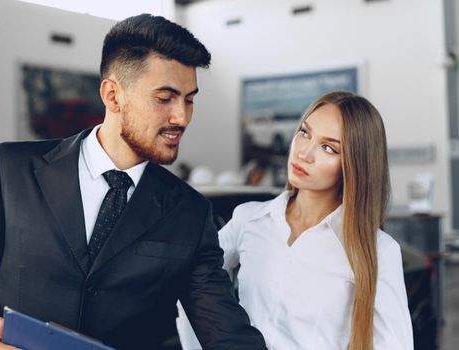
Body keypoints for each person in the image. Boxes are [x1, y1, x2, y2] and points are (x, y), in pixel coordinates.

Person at [0, 14, 267, 350]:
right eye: (165, 98)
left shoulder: (190, 213)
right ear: (112, 95)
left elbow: (227, 334)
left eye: (189, 99)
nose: (181, 116)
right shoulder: (13, 170)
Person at [177, 91, 413, 349]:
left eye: (328, 148)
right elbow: (191, 283)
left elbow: (394, 344)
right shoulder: (249, 219)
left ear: (355, 164)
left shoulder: (378, 249)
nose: (304, 153)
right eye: (304, 133)